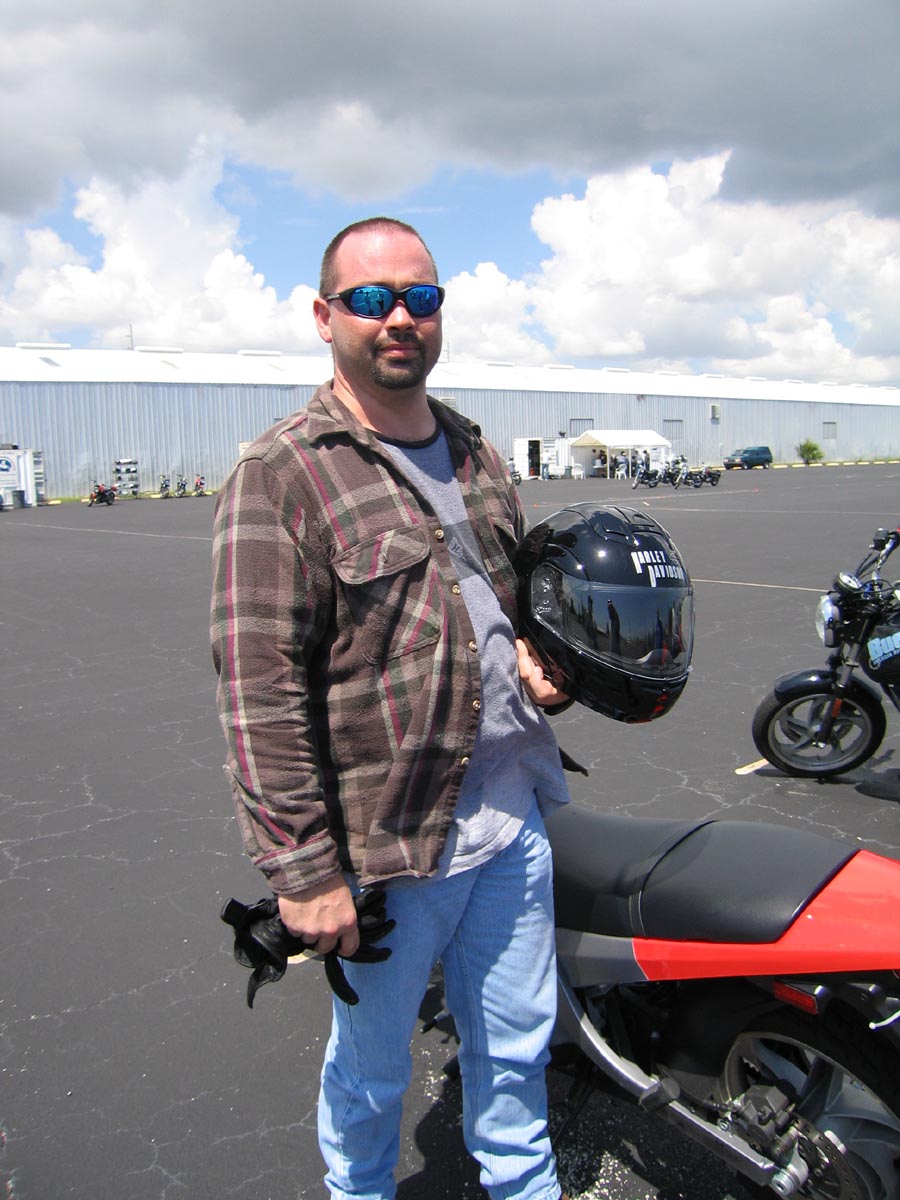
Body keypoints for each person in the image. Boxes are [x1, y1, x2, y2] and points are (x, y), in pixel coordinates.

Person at [211, 217, 571, 1200]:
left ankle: (524, 1185)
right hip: (393, 851)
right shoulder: (282, 473)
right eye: (371, 299)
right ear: (325, 316)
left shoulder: (474, 450)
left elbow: (512, 606)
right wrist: (303, 871)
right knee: (371, 1075)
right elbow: (258, 689)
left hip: (514, 821)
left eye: (420, 296)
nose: (399, 317)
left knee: (517, 1051)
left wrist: (546, 664)